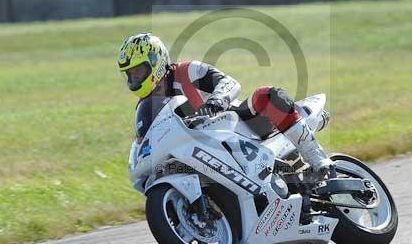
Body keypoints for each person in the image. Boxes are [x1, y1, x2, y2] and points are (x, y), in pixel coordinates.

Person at [117, 33, 333, 174]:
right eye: (130, 75)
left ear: (156, 62)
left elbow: (229, 82)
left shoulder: (187, 71)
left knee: (265, 95)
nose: (134, 79)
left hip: (241, 126)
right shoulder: (146, 107)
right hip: (204, 152)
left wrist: (216, 102)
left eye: (138, 71)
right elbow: (147, 141)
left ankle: (315, 156)